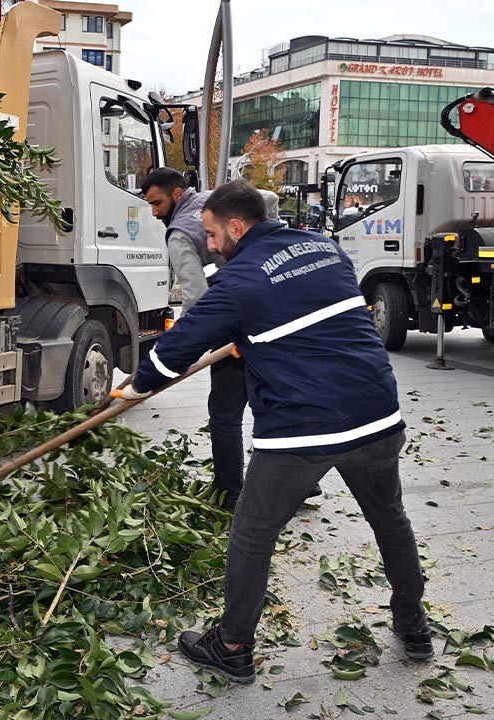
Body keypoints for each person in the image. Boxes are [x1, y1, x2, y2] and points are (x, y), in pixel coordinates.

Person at [113, 180, 431, 683]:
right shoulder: (324, 247)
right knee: (390, 520)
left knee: (252, 533)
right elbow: (308, 312)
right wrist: (252, 335)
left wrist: (134, 388)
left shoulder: (237, 282)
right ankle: (414, 627)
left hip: (303, 428)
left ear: (237, 227)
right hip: (376, 413)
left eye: (214, 235)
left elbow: (180, 347)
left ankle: (233, 645)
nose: (210, 245)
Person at [140, 169, 313, 509]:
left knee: (224, 413)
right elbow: (268, 200)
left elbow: (194, 299)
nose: (154, 213)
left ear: (177, 195)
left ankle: (229, 492)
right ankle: (305, 485)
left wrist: (189, 349)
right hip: (272, 320)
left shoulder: (178, 235)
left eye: (157, 203)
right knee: (278, 403)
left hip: (234, 333)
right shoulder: (215, 201)